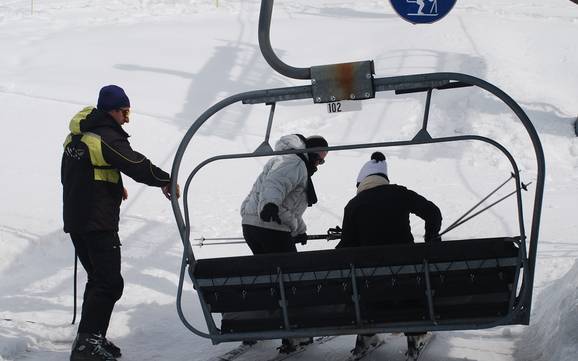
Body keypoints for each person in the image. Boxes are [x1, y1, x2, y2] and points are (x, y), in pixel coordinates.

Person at [61, 85, 180, 361]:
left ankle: (90, 338)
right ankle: (87, 345)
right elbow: (135, 164)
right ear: (113, 110)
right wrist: (165, 178)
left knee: (99, 279)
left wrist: (114, 187)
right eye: (125, 112)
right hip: (97, 222)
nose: (127, 119)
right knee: (110, 283)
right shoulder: (106, 137)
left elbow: (78, 174)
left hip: (77, 220)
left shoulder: (77, 136)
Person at [336, 151, 442, 355]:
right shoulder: (400, 193)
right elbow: (433, 213)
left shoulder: (353, 205)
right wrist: (431, 239)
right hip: (408, 278)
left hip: (371, 286)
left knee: (366, 280)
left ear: (361, 183)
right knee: (412, 278)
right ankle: (415, 331)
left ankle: (368, 330)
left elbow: (347, 246)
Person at [239, 133, 328, 352]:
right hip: (270, 226)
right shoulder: (294, 161)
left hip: (254, 226)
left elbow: (285, 205)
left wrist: (300, 230)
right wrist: (270, 204)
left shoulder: (283, 159)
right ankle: (295, 332)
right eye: (320, 155)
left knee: (269, 278)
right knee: (291, 281)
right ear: (309, 151)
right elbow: (275, 184)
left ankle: (257, 324)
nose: (320, 162)